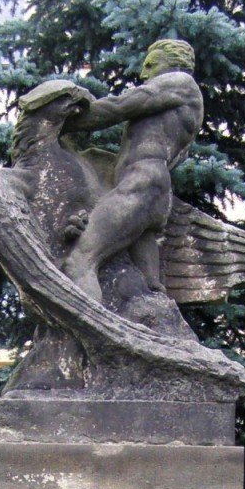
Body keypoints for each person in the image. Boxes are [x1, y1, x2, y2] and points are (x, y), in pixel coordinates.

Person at [61, 38, 202, 301]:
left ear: (174, 64)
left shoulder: (179, 82)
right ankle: (153, 333)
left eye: (151, 64)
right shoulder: (185, 105)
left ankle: (90, 338)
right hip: (152, 189)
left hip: (141, 184)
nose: (144, 73)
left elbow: (121, 106)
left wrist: (63, 120)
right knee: (149, 290)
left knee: (79, 262)